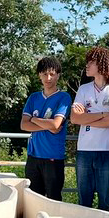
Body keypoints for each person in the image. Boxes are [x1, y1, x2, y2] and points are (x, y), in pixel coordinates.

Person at [70, 47, 109, 211]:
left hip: (108, 151)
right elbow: (74, 118)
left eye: (91, 62)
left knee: (105, 203)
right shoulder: (83, 89)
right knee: (84, 201)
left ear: (102, 64)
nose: (87, 66)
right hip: (84, 150)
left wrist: (87, 118)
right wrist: (103, 114)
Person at [21, 56, 71, 200]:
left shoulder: (64, 97)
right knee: (32, 199)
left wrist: (34, 119)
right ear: (39, 75)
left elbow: (56, 125)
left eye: (52, 74)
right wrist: (47, 125)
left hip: (53, 157)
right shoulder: (34, 97)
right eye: (44, 74)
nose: (48, 78)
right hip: (33, 157)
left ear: (58, 75)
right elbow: (24, 125)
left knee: (53, 200)